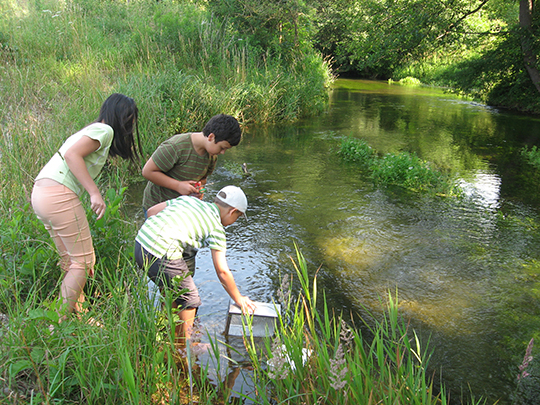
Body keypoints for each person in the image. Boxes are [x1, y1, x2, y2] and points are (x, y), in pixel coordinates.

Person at [31, 93, 142, 321]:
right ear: (121, 117)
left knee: (71, 261)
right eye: (130, 119)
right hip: (58, 194)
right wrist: (94, 193)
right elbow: (73, 155)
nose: (131, 125)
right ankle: (56, 325)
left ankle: (81, 316)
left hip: (41, 192)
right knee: (83, 261)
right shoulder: (105, 130)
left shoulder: (88, 129)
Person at [134, 185, 256, 350]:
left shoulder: (189, 201)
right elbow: (222, 271)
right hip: (160, 253)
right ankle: (185, 346)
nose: (232, 223)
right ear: (232, 211)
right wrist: (238, 298)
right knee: (190, 299)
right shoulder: (217, 229)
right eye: (237, 217)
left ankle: (166, 331)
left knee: (173, 290)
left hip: (141, 243)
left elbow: (151, 212)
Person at [141, 114, 242, 305]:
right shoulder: (176, 147)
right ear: (211, 137)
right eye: (222, 148)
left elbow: (202, 179)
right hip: (160, 210)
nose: (222, 153)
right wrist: (178, 186)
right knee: (168, 271)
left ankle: (177, 312)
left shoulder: (211, 156)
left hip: (184, 217)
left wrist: (198, 190)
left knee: (185, 271)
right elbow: (147, 171)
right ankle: (174, 314)